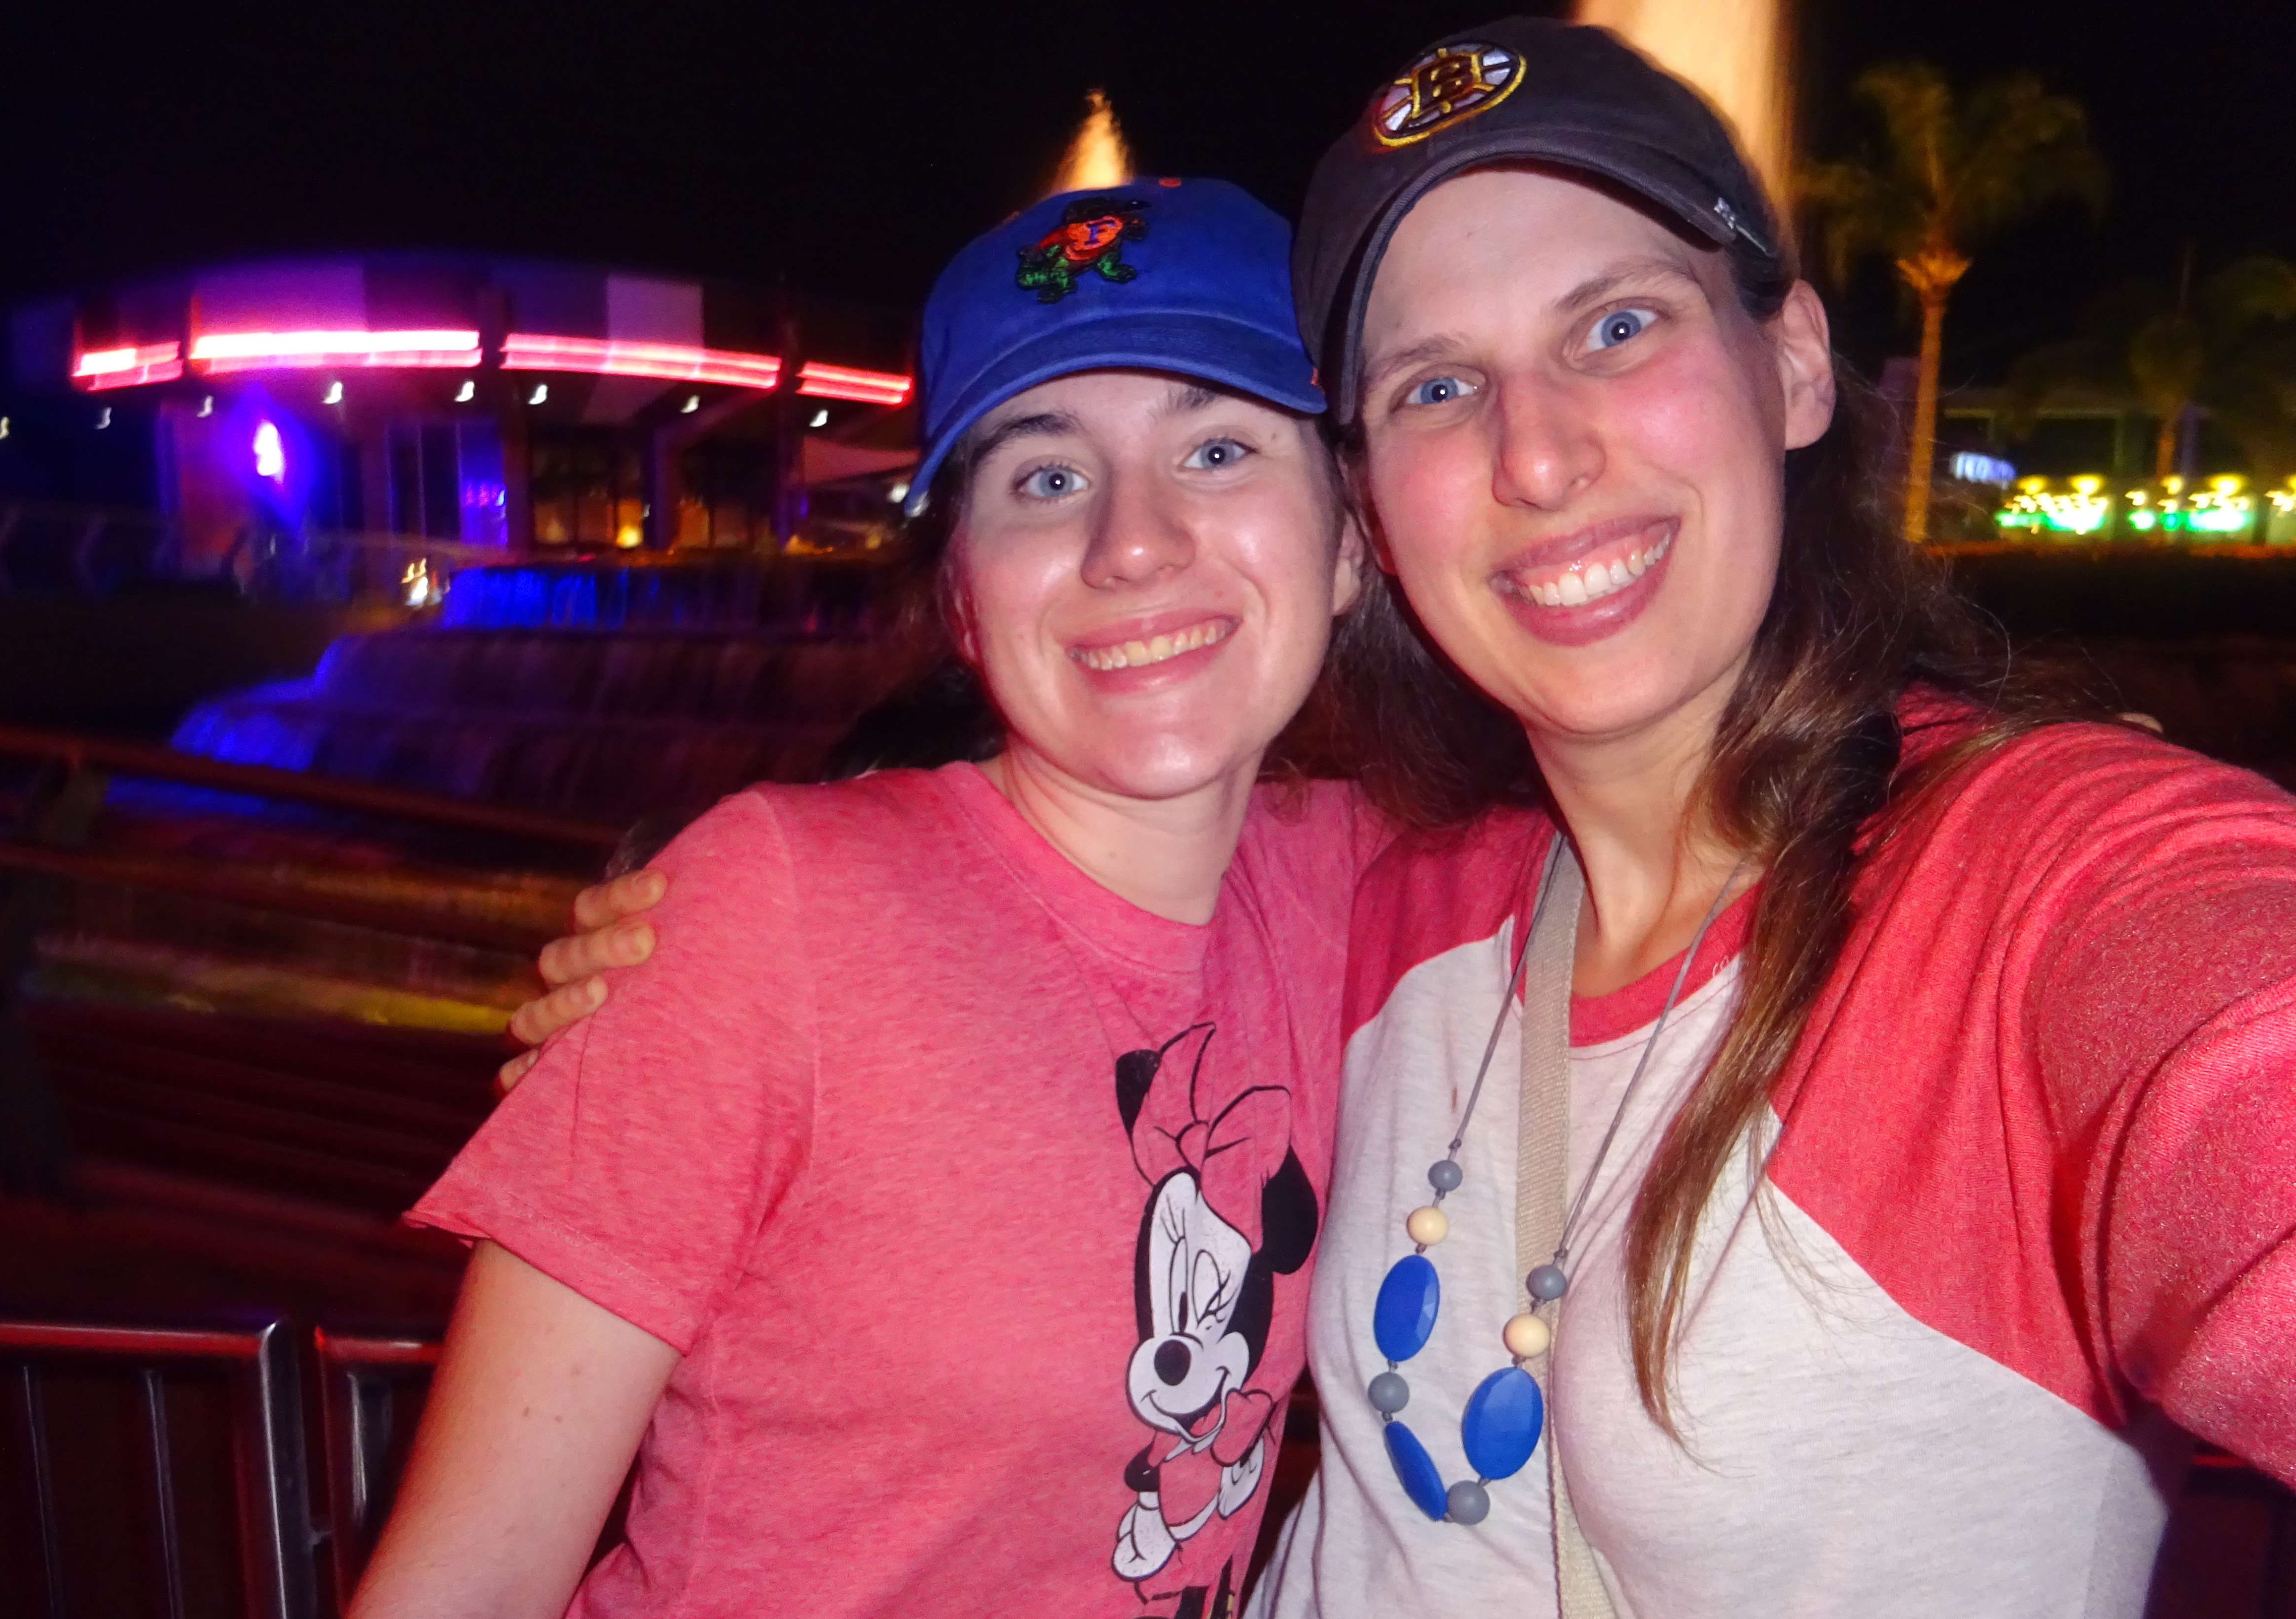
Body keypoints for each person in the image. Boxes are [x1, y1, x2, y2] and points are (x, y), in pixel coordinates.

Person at [520, 19, 2296, 1619]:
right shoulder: (1405, 881)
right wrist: (720, 938)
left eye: (1618, 326)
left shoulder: (2030, 885)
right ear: (1380, 508)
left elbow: (2225, 1043)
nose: (1539, 453)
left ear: (1798, 365)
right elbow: (1027, 909)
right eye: (1438, 384)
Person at [348, 179, 1384, 1619]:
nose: (1132, 543)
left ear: (1352, 541)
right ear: (961, 594)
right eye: (1046, 477)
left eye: (1218, 450)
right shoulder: (771, 910)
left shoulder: (1372, 889)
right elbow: (469, 1580)